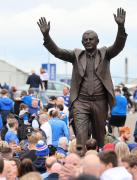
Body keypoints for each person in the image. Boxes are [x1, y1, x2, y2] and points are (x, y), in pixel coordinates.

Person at [37, 7, 127, 150]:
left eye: (91, 39)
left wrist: (121, 27)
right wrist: (47, 36)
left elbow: (118, 45)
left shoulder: (105, 54)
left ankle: (99, 162)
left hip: (100, 102)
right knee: (81, 137)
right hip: (81, 102)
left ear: (97, 41)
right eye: (85, 39)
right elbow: (57, 52)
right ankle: (80, 164)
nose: (88, 41)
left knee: (99, 137)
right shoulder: (76, 55)